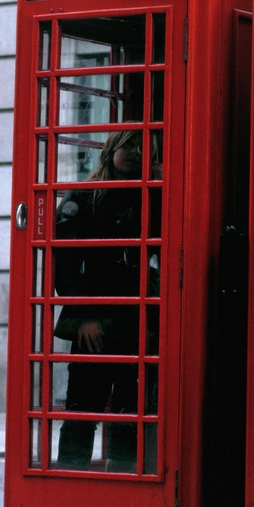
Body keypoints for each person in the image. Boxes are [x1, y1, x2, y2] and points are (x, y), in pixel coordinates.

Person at [53, 129, 159, 471]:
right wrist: (83, 317)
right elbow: (65, 268)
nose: (135, 152)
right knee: (82, 410)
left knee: (131, 412)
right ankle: (70, 480)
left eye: (143, 148)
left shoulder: (152, 196)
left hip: (137, 321)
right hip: (94, 323)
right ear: (111, 148)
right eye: (128, 144)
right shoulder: (82, 199)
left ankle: (128, 482)